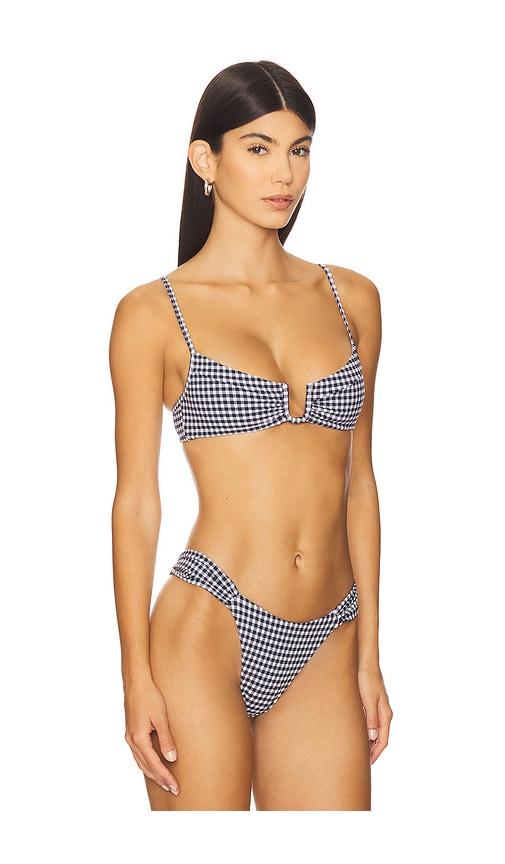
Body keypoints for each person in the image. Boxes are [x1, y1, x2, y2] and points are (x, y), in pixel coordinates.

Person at [109, 60, 393, 811]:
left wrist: (370, 653)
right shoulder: (152, 313)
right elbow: (136, 502)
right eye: (258, 148)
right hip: (209, 627)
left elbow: (359, 482)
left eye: (299, 149)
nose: (284, 173)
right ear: (205, 160)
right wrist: (135, 676)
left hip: (330, 630)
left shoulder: (352, 299)